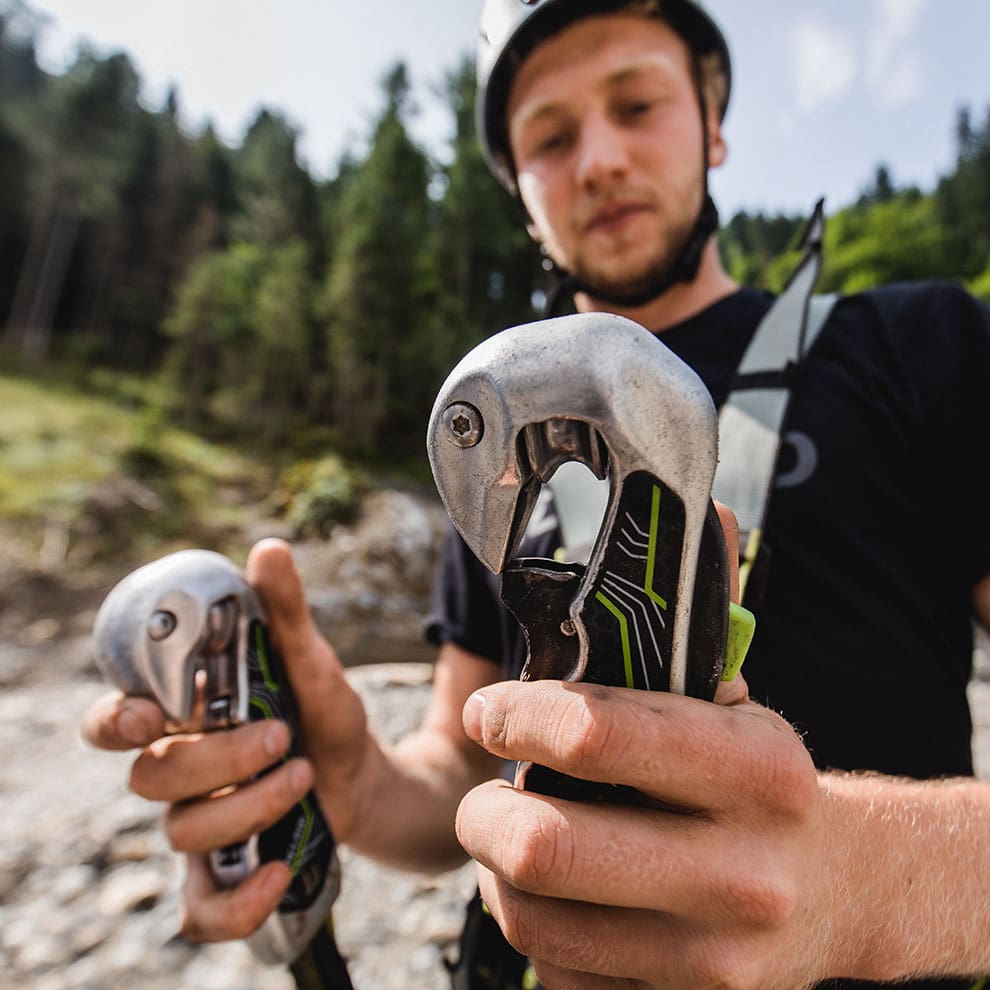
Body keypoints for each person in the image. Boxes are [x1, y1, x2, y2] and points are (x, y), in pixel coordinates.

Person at [84, 1, 990, 988]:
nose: (596, 159)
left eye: (636, 103)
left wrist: (870, 877)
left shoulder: (925, 351)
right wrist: (354, 784)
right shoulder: (499, 445)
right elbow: (459, 771)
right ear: (520, 190)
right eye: (548, 138)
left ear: (714, 120)